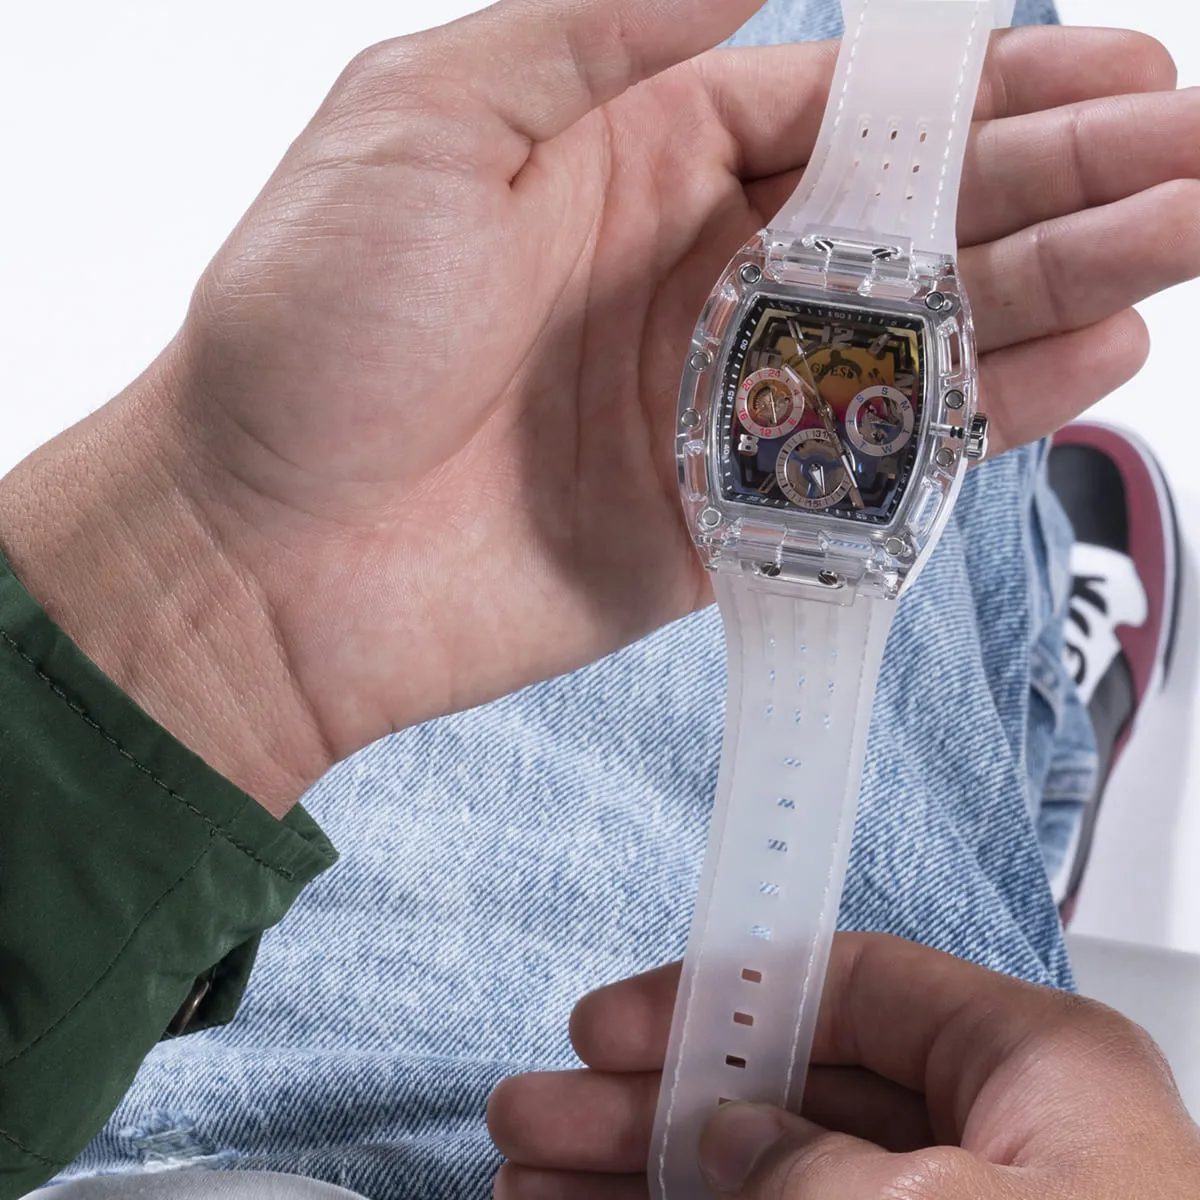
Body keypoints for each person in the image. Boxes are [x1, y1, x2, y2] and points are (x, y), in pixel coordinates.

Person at [1, 0, 1198, 1196]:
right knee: (933, 746)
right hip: (393, 1101)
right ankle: (1028, 772)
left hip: (148, 1098)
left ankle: (1026, 760)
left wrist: (212, 567)